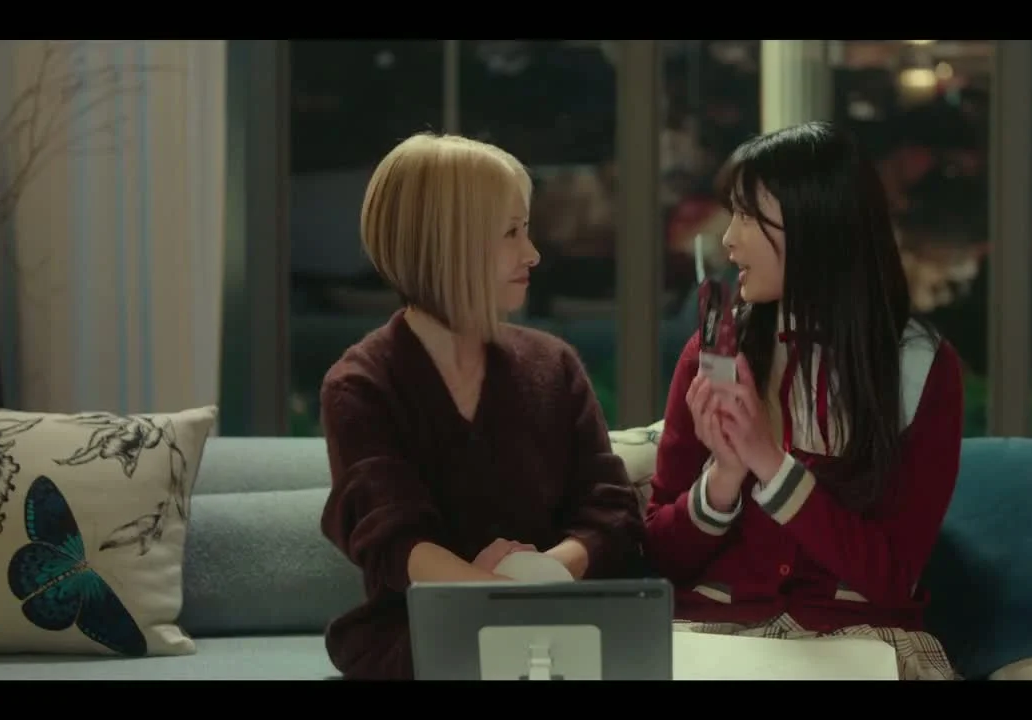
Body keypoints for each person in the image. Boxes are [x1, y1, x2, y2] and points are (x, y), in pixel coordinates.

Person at [644, 121, 965, 681]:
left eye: (748, 216)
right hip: (713, 638)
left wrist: (769, 464)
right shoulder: (715, 353)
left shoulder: (921, 365)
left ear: (817, 226)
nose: (728, 238)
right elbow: (658, 561)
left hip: (858, 641)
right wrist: (724, 476)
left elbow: (893, 578)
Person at [318, 133, 645, 681]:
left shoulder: (554, 365)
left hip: (558, 622)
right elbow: (393, 539)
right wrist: (495, 600)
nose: (533, 253)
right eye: (512, 232)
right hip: (423, 637)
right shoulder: (360, 386)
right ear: (450, 244)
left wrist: (537, 579)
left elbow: (610, 513)